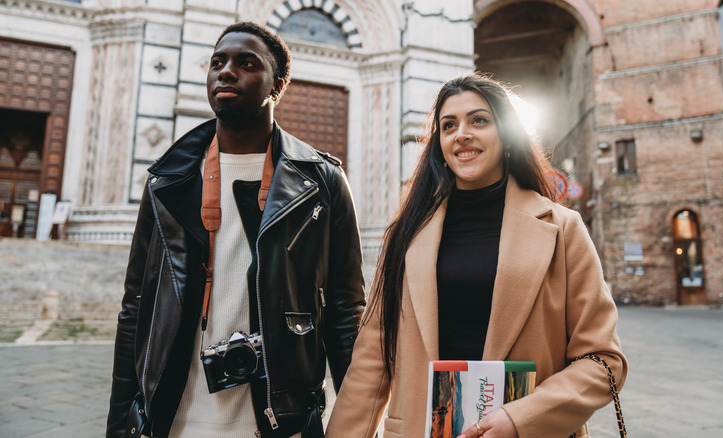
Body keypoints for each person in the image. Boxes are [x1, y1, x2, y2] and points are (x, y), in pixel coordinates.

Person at [325, 73, 627, 438]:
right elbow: (372, 360)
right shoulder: (405, 234)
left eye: (479, 120)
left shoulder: (563, 229)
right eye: (448, 125)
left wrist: (523, 418)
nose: (461, 133)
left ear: (509, 136)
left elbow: (603, 361)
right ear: (439, 144)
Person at [106, 21, 365, 438]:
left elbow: (345, 312)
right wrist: (121, 423)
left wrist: (356, 422)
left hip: (279, 420)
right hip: (174, 416)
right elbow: (136, 309)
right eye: (217, 62)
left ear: (277, 85)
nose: (226, 72)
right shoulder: (167, 181)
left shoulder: (321, 182)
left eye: (246, 63)